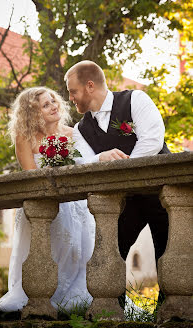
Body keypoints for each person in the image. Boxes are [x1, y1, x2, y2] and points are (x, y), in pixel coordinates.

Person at [65, 60, 170, 307]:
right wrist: (99, 158)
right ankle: (110, 309)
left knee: (168, 252)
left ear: (90, 86)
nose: (71, 98)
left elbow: (153, 141)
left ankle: (172, 313)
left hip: (162, 193)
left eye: (73, 91)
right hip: (122, 202)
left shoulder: (136, 100)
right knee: (110, 251)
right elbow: (81, 162)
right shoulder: (81, 128)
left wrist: (124, 169)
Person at [0, 86, 96, 312]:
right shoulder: (25, 138)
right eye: (46, 104)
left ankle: (71, 303)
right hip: (42, 205)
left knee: (75, 253)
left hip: (74, 205)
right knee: (44, 252)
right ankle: (38, 298)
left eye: (54, 101)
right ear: (33, 113)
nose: (54, 106)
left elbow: (89, 164)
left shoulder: (73, 133)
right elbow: (32, 176)